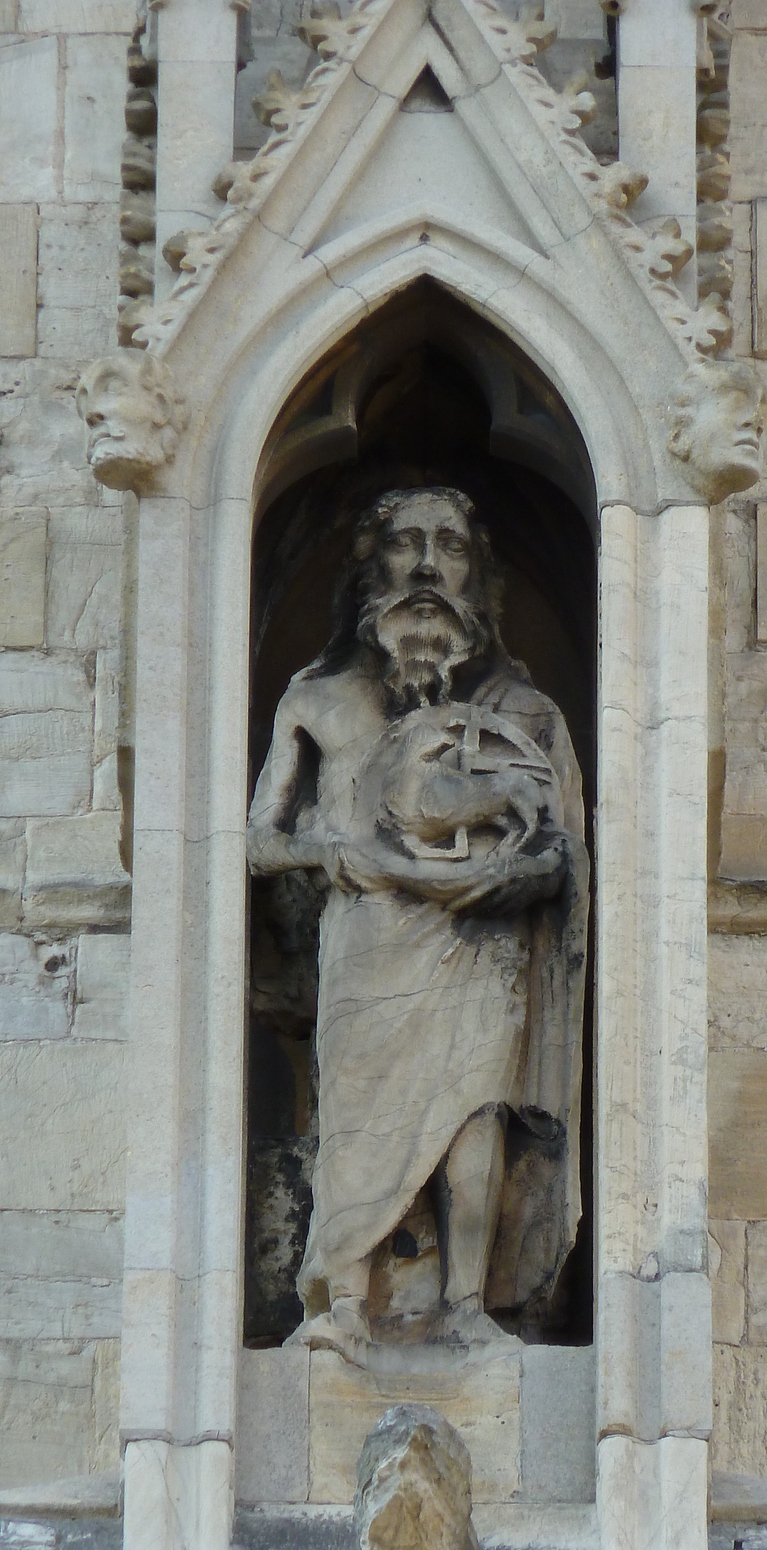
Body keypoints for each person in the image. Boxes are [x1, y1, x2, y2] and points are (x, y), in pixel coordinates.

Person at [247, 486, 588, 1358]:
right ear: (372, 566)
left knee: (475, 1125)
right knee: (357, 1126)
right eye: (405, 544)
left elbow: (561, 851)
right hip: (364, 939)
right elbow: (257, 843)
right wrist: (328, 856)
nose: (429, 566)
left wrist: (518, 874)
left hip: (479, 945)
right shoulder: (316, 699)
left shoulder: (524, 715)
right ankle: (347, 1308)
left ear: (479, 577)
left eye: (451, 546)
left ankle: (470, 1308)